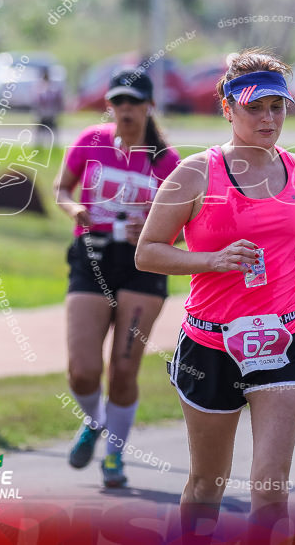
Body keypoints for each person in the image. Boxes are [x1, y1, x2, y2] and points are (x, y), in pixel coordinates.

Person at [135, 49, 295, 539]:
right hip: (210, 344)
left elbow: (280, 242)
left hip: (282, 339)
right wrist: (210, 260)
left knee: (270, 488)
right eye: (254, 108)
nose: (269, 119)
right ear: (228, 108)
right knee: (207, 483)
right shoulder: (195, 174)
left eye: (278, 107)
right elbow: (147, 253)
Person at [53, 68, 180, 488]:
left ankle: (114, 457)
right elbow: (62, 190)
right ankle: (94, 421)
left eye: (133, 102)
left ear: (149, 106)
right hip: (92, 256)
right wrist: (75, 211)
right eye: (117, 101)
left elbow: (182, 224)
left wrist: (147, 229)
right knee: (83, 371)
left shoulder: (167, 161)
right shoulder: (91, 141)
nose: (124, 109)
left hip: (142, 266)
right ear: (110, 105)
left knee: (123, 370)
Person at [34, 67, 62, 148]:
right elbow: (37, 100)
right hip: (43, 113)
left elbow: (57, 99)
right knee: (41, 130)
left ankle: (53, 144)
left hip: (50, 113)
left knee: (52, 130)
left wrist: (57, 110)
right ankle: (39, 145)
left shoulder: (53, 87)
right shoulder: (40, 86)